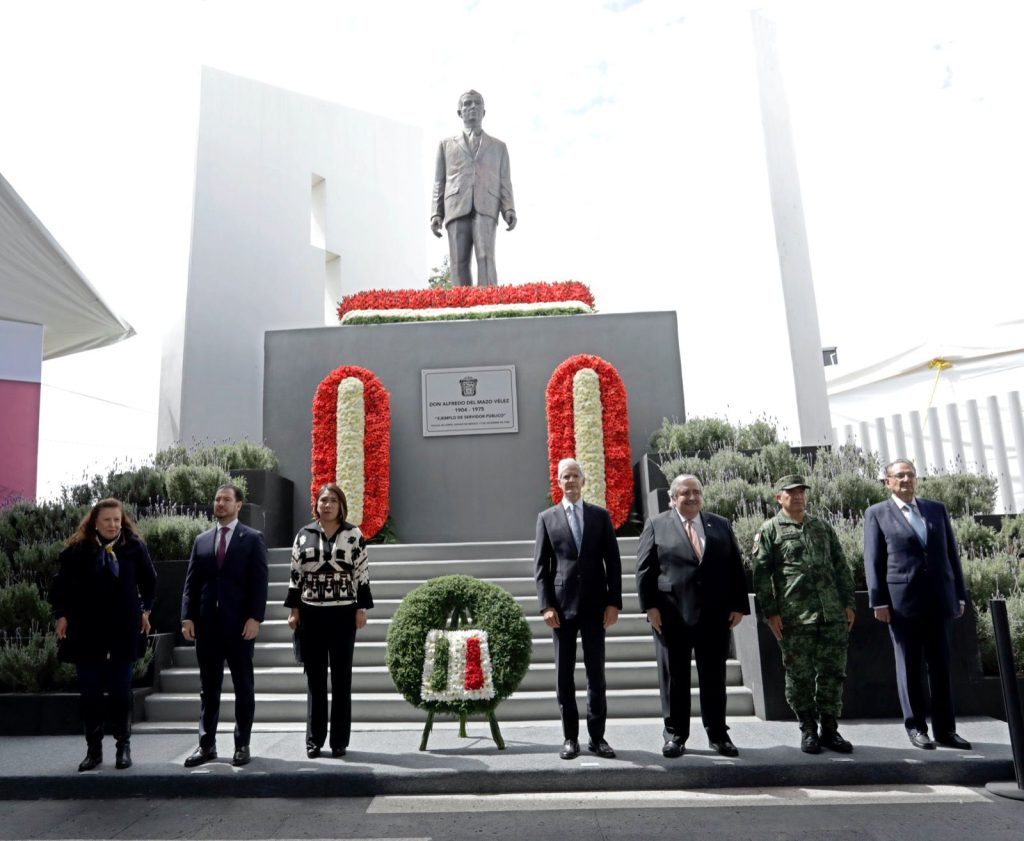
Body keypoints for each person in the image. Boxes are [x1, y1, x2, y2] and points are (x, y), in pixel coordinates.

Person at [636, 475, 749, 758]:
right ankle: (675, 735)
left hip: (714, 615)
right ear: (673, 498)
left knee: (714, 677)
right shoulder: (657, 525)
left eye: (696, 492)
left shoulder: (720, 524)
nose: (692, 497)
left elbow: (735, 566)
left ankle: (718, 735)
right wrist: (650, 607)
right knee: (674, 678)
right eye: (685, 493)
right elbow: (645, 569)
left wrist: (738, 605)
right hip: (671, 614)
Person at [863, 459, 971, 750]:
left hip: (939, 599)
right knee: (909, 667)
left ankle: (946, 731)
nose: (906, 479)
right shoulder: (877, 513)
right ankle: (916, 728)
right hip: (902, 604)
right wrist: (878, 601)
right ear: (887, 482)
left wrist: (959, 594)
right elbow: (873, 560)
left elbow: (951, 554)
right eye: (899, 475)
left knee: (941, 667)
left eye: (910, 474)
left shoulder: (936, 509)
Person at [50, 498, 157, 772]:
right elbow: (60, 587)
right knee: (91, 695)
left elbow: (150, 582)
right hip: (87, 632)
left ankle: (123, 747)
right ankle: (93, 751)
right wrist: (61, 615)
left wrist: (145, 610)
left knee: (121, 693)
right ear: (95, 522)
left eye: (117, 520)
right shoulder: (77, 551)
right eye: (107, 520)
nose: (112, 525)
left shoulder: (134, 547)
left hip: (123, 630)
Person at [752, 475, 856, 754]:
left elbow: (841, 566)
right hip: (795, 617)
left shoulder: (821, 526)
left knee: (833, 673)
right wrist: (770, 612)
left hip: (831, 614)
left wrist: (848, 603)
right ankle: (808, 728)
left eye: (801, 492)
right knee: (800, 676)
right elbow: (761, 575)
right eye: (791, 492)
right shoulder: (770, 530)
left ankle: (830, 729)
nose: (798, 496)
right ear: (779, 498)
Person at [534, 457, 622, 760]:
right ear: (558, 483)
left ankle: (597, 737)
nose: (570, 481)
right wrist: (546, 605)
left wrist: (613, 602)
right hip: (562, 609)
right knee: (564, 676)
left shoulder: (600, 516)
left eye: (575, 476)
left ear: (583, 481)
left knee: (596, 675)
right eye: (565, 477)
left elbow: (613, 563)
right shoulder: (546, 518)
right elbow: (541, 568)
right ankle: (570, 737)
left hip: (596, 607)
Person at [180, 484, 268, 767]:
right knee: (208, 688)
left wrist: (255, 617)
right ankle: (206, 745)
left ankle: (242, 744)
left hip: (240, 626)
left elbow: (259, 582)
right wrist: (187, 617)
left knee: (243, 686)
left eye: (226, 499)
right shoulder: (201, 540)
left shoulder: (252, 538)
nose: (220, 503)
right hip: (207, 626)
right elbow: (191, 583)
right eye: (217, 499)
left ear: (238, 505)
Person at [285, 483, 373, 758]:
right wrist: (294, 610)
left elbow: (362, 573)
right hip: (311, 613)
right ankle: (314, 740)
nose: (327, 505)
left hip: (344, 614)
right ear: (317, 505)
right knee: (315, 679)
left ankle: (339, 742)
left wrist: (361, 608)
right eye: (323, 500)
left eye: (333, 500)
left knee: (342, 678)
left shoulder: (353, 534)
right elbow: (295, 574)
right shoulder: (304, 534)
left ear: (341, 506)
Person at [430, 89, 516, 287]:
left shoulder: (499, 147)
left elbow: (505, 180)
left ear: (484, 111)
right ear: (459, 112)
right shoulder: (445, 145)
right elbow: (439, 181)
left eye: (477, 103)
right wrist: (436, 213)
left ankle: (489, 302)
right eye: (467, 103)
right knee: (458, 262)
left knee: (486, 258)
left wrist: (509, 208)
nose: (473, 107)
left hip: (487, 204)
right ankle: (462, 304)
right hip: (455, 205)